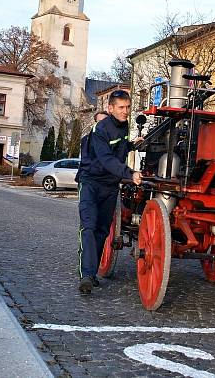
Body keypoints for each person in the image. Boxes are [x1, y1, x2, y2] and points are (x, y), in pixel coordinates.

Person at [77, 90, 142, 295]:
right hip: (91, 182)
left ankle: (92, 273)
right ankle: (86, 275)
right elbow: (106, 159)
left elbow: (118, 150)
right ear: (110, 108)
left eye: (128, 107)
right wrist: (129, 173)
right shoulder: (100, 129)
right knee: (89, 226)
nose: (126, 111)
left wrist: (132, 145)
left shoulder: (123, 127)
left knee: (102, 231)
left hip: (110, 185)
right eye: (121, 107)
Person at [74, 110, 109, 185]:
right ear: (95, 123)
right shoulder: (87, 139)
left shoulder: (112, 140)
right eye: (99, 121)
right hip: (90, 180)